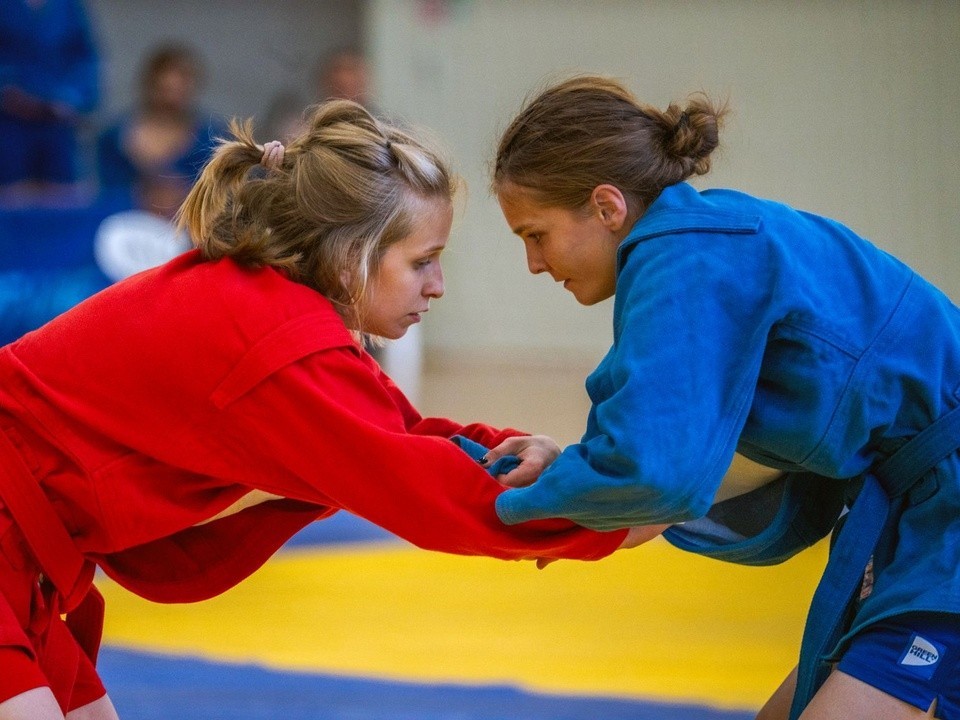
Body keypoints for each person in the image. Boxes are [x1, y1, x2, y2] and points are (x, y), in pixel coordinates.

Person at [0, 99, 651, 720]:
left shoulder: (275, 311)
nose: (437, 286)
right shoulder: (277, 340)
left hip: (27, 559)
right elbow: (424, 488)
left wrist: (551, 464)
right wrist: (615, 513)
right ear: (349, 256)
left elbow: (407, 434)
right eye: (422, 262)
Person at [485, 75, 960, 720]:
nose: (533, 264)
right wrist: (576, 482)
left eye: (535, 234)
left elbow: (651, 467)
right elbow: (684, 455)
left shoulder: (688, 258)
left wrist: (508, 511)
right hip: (918, 507)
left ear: (606, 207)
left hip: (943, 507)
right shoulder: (703, 242)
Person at [96, 43, 224, 220]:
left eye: (179, 93)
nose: (170, 101)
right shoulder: (114, 137)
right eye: (164, 91)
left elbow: (220, 196)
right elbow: (104, 191)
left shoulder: (212, 141)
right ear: (150, 86)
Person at [0, 0, 100, 204]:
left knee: (64, 199)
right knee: (12, 200)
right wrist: (7, 91)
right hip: (9, 124)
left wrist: (70, 99)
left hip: (57, 123)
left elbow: (85, 59)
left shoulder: (67, 6)